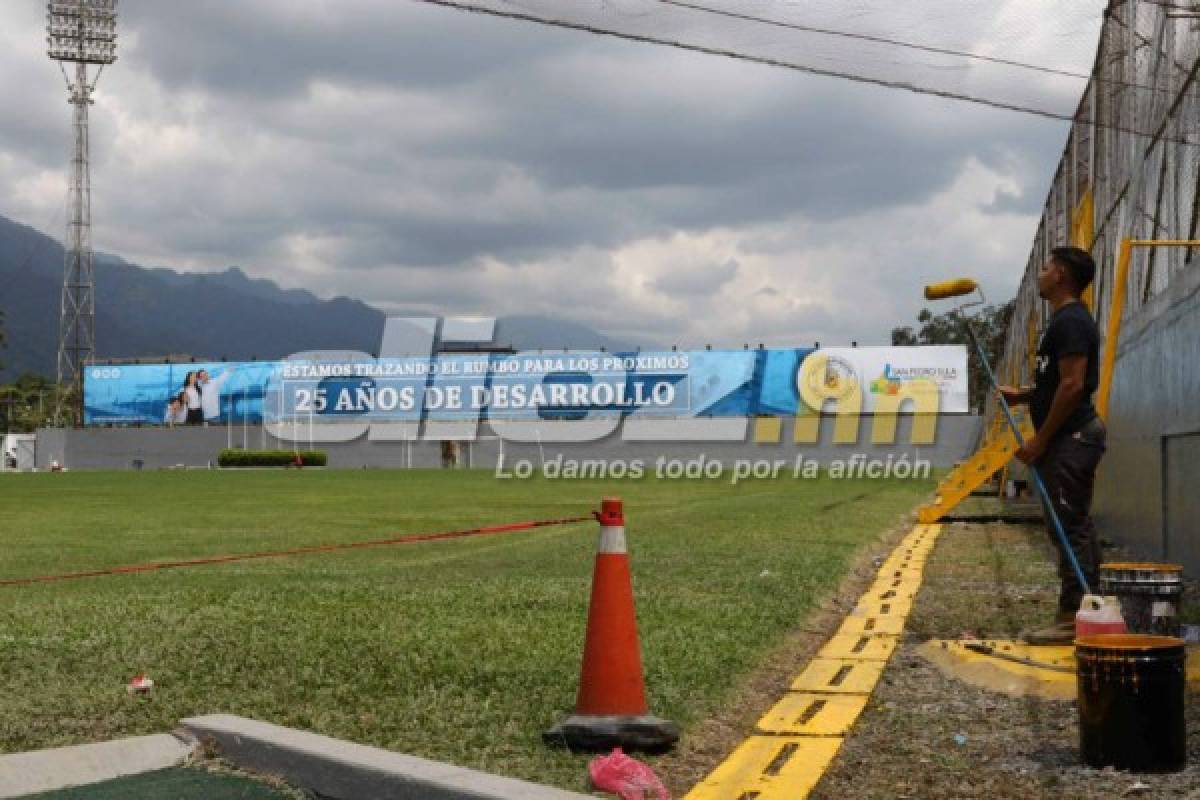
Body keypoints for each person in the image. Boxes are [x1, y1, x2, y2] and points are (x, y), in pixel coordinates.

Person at [998, 246, 1106, 645]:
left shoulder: (1071, 321)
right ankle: (1090, 609)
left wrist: (1039, 441)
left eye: (1045, 267)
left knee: (1068, 527)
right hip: (1066, 439)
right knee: (1072, 524)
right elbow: (1056, 383)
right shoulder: (1063, 322)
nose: (1040, 273)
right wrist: (1024, 396)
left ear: (1059, 274)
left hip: (1070, 439)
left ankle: (1072, 619)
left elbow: (1074, 385)